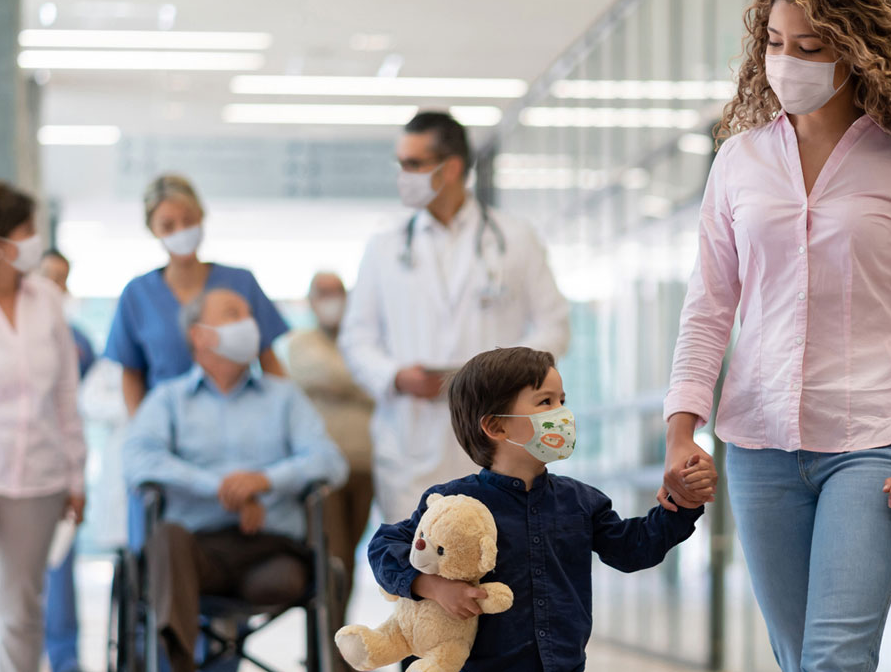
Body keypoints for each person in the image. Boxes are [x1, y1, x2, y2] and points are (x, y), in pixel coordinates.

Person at [658, 0, 891, 671]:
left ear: (857, 52)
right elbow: (709, 305)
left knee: (836, 657)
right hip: (760, 448)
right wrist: (682, 431)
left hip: (871, 443)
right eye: (774, 44)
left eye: (810, 47)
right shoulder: (738, 162)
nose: (786, 61)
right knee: (798, 656)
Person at [360, 347, 709, 672]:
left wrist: (682, 504)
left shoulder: (582, 501)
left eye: (562, 400)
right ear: (496, 426)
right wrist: (431, 585)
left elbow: (633, 549)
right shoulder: (450, 503)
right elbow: (384, 546)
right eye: (545, 401)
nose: (562, 413)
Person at [339, 112, 570, 524]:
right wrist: (396, 375)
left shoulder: (515, 237)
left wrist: (504, 379)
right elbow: (357, 340)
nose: (402, 175)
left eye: (413, 164)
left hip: (498, 436)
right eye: (401, 163)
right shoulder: (384, 247)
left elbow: (554, 326)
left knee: (501, 567)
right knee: (418, 568)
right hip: (412, 434)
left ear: (453, 167)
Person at [122, 287, 348, 672]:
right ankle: (178, 665)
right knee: (166, 542)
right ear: (199, 334)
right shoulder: (169, 399)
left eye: (249, 315)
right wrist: (222, 487)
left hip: (270, 553)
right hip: (196, 552)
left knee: (289, 579)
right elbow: (138, 460)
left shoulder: (283, 398)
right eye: (233, 313)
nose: (249, 323)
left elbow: (330, 461)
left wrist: (264, 481)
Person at [0, 181, 87, 672]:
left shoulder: (46, 300)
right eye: (25, 230)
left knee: (21, 609)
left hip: (40, 477)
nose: (33, 240)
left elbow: (66, 393)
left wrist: (76, 475)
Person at [106, 174, 290, 417]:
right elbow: (131, 376)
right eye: (168, 226)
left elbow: (269, 361)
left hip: (241, 421)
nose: (181, 232)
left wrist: (290, 414)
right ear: (152, 229)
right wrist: (141, 434)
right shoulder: (137, 295)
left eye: (188, 220)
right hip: (167, 426)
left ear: (202, 216)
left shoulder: (241, 283)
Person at [283, 273, 376, 595]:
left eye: (337, 291)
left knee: (350, 557)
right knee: (331, 555)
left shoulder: (362, 342)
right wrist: (369, 380)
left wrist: (374, 378)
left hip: (366, 466)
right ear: (310, 300)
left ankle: (342, 636)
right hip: (323, 471)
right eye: (323, 292)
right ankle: (328, 639)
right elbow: (334, 373)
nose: (331, 298)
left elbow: (376, 380)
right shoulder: (300, 342)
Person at [37, 248, 95, 672]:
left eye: (63, 278)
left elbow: (75, 407)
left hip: (59, 470)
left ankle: (64, 658)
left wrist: (76, 479)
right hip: (15, 471)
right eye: (48, 276)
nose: (56, 286)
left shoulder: (79, 342)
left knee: (59, 571)